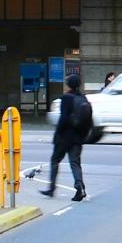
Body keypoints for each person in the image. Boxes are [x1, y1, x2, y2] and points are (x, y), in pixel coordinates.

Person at [44, 72, 91, 200]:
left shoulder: (66, 98)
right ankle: (79, 187)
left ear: (69, 85)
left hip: (64, 137)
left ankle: (51, 188)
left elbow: (63, 118)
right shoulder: (83, 99)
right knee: (75, 163)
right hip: (78, 137)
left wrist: (58, 133)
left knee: (55, 160)